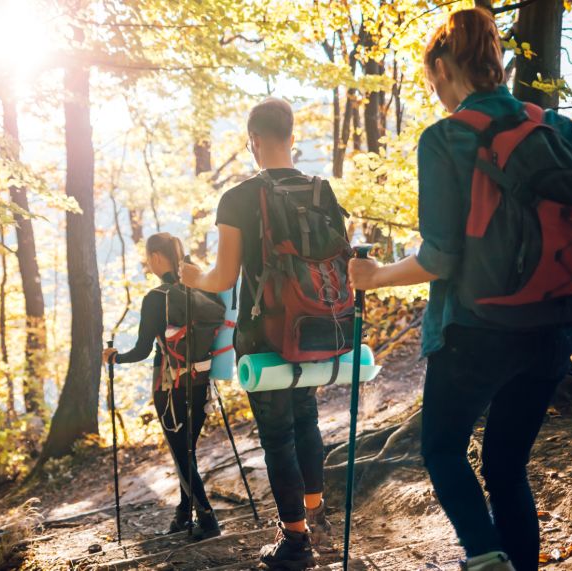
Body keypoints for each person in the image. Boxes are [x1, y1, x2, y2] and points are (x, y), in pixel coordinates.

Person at [348, 8, 572, 571]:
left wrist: (376, 277)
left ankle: (486, 557)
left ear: (444, 69)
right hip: (555, 327)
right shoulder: (556, 127)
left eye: (433, 82)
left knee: (443, 449)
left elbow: (441, 257)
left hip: (475, 333)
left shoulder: (446, 138)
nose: (437, 95)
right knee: (506, 464)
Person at [180, 97, 346, 570]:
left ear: (252, 141)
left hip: (264, 331)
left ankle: (295, 542)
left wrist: (194, 278)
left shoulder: (237, 198)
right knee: (307, 418)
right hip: (316, 322)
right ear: (292, 137)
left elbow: (225, 277)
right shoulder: (321, 191)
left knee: (277, 436)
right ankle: (315, 516)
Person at [102, 232, 221, 540]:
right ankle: (183, 515)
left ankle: (207, 519)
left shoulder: (156, 298)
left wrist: (116, 357)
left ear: (156, 257)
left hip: (169, 387)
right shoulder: (203, 289)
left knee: (182, 454)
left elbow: (142, 350)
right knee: (188, 450)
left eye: (148, 258)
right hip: (201, 381)